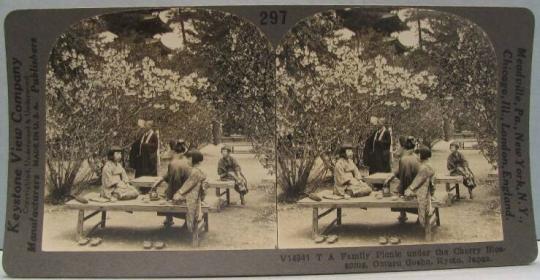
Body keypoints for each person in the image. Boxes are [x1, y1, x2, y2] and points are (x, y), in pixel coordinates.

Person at [151, 140, 190, 227]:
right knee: (168, 193)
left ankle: (173, 219)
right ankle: (171, 219)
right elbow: (168, 175)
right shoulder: (186, 160)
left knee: (167, 196)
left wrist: (172, 194)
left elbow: (175, 181)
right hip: (188, 188)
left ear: (175, 152)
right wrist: (159, 181)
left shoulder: (174, 163)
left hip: (182, 190)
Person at [385, 136, 420, 223]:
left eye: (398, 145)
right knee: (401, 189)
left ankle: (406, 214)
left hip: (413, 186)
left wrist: (400, 189)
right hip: (418, 184)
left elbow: (405, 176)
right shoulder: (415, 156)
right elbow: (400, 170)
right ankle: (405, 214)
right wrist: (392, 175)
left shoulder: (405, 159)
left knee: (399, 192)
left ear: (403, 147)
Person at [172, 150, 207, 234]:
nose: (187, 161)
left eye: (188, 159)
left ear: (192, 159)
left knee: (175, 199)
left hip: (194, 195)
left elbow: (188, 186)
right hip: (198, 193)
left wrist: (179, 193)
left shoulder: (196, 171)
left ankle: (188, 225)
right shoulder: (198, 169)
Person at [404, 146, 435, 227]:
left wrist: (410, 189)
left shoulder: (425, 167)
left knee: (405, 195)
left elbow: (417, 182)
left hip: (425, 191)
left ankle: (422, 221)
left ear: (422, 155)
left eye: (418, 155)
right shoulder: (427, 164)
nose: (416, 157)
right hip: (428, 189)